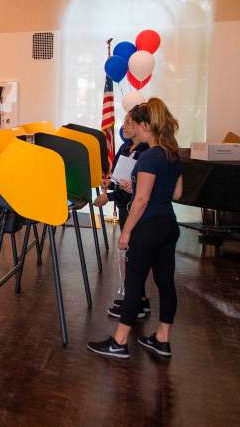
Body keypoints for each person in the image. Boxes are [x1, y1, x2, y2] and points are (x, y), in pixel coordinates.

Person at [88, 98, 183, 360]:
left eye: (134, 124)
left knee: (133, 285)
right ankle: (162, 339)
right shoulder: (172, 154)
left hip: (147, 228)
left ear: (145, 125)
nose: (131, 128)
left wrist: (127, 231)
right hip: (168, 225)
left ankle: (119, 342)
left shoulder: (150, 156)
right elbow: (177, 192)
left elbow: (140, 201)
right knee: (165, 283)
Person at [93, 113, 150, 318]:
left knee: (135, 257)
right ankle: (138, 299)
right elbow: (119, 176)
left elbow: (135, 187)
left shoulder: (146, 151)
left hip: (134, 209)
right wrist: (110, 181)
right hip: (124, 206)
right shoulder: (125, 147)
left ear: (141, 125)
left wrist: (109, 196)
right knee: (131, 257)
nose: (124, 126)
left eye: (128, 123)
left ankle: (134, 304)